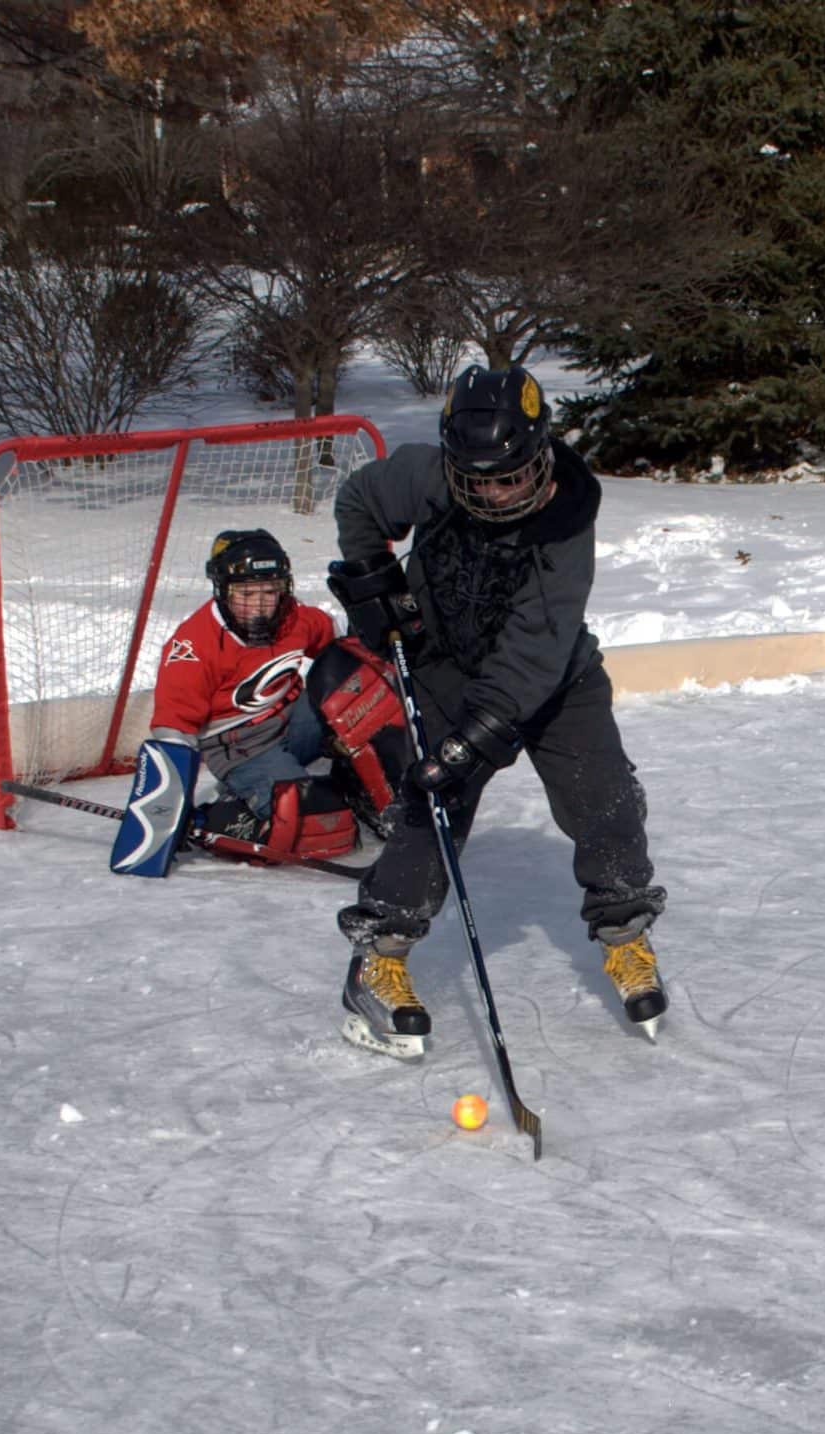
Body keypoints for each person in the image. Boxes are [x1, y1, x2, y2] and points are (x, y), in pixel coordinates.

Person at [323, 365, 666, 1061]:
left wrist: (478, 738)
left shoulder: (566, 518)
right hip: (448, 665)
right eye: (478, 481)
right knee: (431, 806)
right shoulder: (427, 477)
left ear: (539, 454)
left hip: (556, 680)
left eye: (510, 476)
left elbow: (536, 648)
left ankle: (626, 935)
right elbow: (360, 498)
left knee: (607, 801)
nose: (496, 493)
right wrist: (374, 582)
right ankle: (379, 956)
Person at [108, 529, 409, 878]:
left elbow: (340, 638)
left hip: (293, 722)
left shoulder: (293, 617)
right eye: (246, 593)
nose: (260, 605)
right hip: (241, 747)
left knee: (363, 686)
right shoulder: (193, 647)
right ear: (222, 590)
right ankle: (227, 814)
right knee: (318, 821)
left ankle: (368, 787)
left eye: (270, 592)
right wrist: (169, 812)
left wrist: (385, 621)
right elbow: (173, 732)